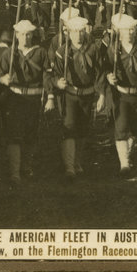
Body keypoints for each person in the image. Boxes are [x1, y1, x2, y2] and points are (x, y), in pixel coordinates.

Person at [47, 15, 104, 180]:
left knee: (83, 130)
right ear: (68, 33)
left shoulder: (94, 50)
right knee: (69, 128)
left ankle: (77, 161)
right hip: (70, 95)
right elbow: (53, 74)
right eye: (74, 32)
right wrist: (58, 82)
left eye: (81, 32)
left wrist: (101, 95)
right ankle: (69, 166)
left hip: (88, 95)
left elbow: (100, 74)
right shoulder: (62, 52)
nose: (78, 35)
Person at [0, 19, 48, 186]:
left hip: (34, 99)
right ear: (16, 35)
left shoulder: (41, 53)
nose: (25, 38)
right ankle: (14, 172)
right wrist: (5, 79)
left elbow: (47, 76)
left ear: (32, 35)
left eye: (28, 35)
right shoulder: (9, 54)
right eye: (22, 34)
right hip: (15, 98)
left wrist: (50, 97)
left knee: (31, 134)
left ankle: (27, 166)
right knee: (14, 134)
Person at [103, 13, 137, 177]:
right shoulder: (113, 49)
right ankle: (124, 164)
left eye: (131, 30)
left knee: (134, 129)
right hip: (121, 94)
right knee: (121, 127)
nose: (129, 33)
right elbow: (106, 68)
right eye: (125, 30)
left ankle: (127, 156)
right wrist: (109, 76)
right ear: (120, 32)